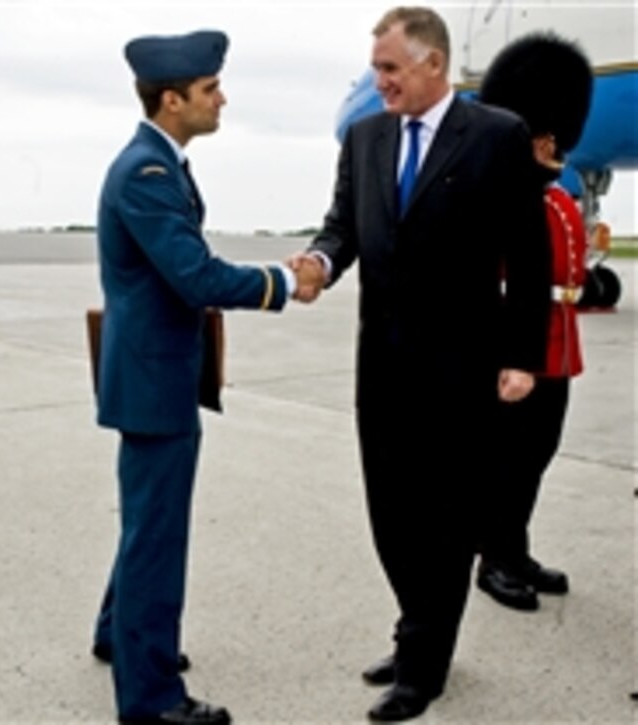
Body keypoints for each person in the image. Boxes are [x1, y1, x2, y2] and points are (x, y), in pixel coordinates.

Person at [290, 7, 550, 721]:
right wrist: (317, 259)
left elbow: (530, 256)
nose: (379, 83)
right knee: (390, 513)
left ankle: (423, 662)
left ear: (433, 64)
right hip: (381, 364)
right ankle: (419, 628)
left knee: (445, 518)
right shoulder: (365, 137)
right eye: (376, 68)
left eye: (390, 69)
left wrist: (523, 355)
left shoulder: (497, 137)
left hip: (462, 367)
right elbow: (343, 225)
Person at [91, 30, 316, 725]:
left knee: (147, 520)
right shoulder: (147, 173)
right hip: (153, 380)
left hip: (153, 372)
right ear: (172, 99)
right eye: (209, 89)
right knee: (157, 532)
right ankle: (151, 698)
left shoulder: (162, 162)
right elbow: (193, 274)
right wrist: (284, 281)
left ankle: (117, 635)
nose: (221, 99)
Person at [474, 33, 594, 612]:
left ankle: (515, 549)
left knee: (538, 453)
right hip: (518, 341)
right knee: (509, 457)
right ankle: (494, 558)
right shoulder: (509, 194)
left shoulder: (557, 196)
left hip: (559, 346)